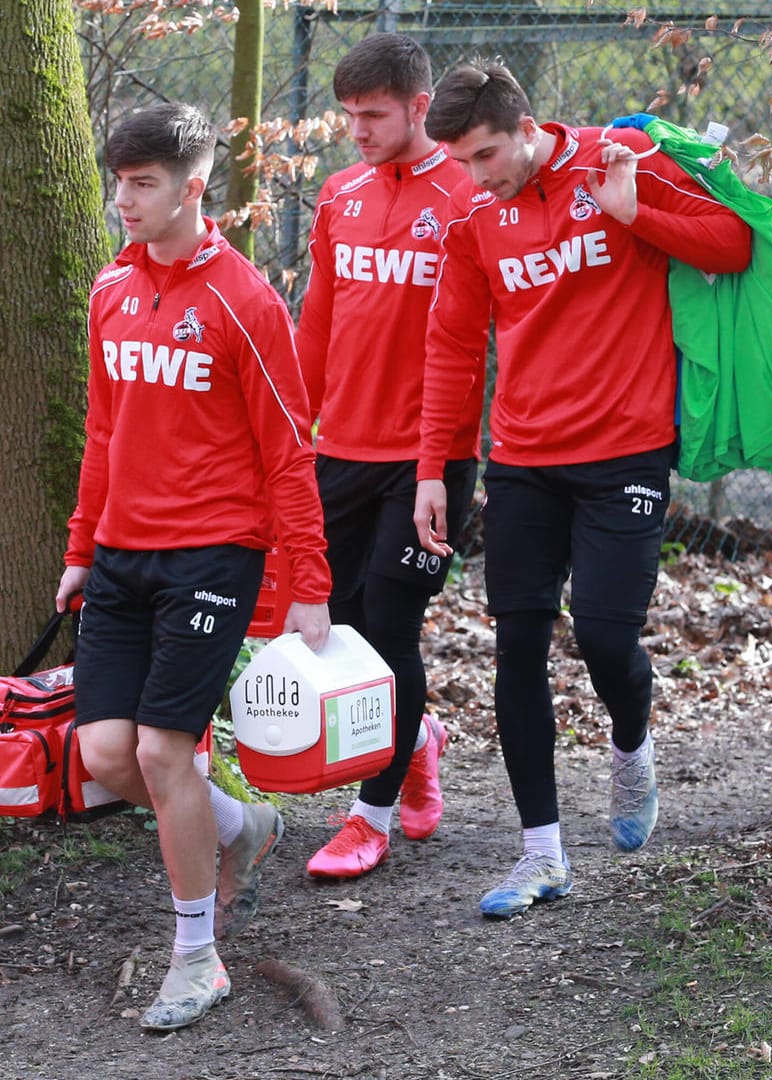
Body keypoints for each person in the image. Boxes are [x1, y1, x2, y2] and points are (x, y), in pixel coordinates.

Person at [412, 64, 751, 916]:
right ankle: (542, 855)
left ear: (525, 124)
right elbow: (453, 347)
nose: (479, 174)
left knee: (605, 639)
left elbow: (736, 242)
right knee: (516, 645)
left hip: (628, 452)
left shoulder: (617, 159)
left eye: (488, 153)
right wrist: (432, 468)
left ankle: (632, 749)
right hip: (523, 459)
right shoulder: (472, 216)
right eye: (463, 162)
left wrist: (637, 213)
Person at [54, 103, 333, 1032]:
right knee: (102, 755)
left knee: (162, 752)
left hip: (213, 555)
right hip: (123, 558)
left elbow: (292, 452)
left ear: (193, 188)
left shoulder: (245, 300)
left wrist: (310, 586)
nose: (122, 202)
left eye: (143, 185)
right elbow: (103, 431)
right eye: (118, 183)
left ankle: (196, 957)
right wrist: (81, 549)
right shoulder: (109, 290)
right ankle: (236, 825)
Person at [293, 33, 482, 880]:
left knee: (393, 628)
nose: (358, 131)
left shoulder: (471, 191)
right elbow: (319, 325)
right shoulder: (340, 196)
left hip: (433, 455)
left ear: (418, 105)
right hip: (343, 449)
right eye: (348, 116)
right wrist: (294, 427)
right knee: (350, 629)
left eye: (374, 114)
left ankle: (367, 817)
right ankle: (419, 739)